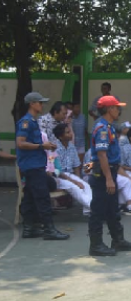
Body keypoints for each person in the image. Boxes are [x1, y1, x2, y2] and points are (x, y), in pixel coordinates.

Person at [88, 95, 131, 256]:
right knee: (98, 210)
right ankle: (95, 245)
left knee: (112, 209)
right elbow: (102, 155)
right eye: (116, 107)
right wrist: (109, 178)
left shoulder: (108, 126)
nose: (119, 110)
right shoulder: (102, 128)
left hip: (110, 171)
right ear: (109, 109)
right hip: (103, 173)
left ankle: (118, 240)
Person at [16, 92, 69, 241]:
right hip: (32, 165)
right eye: (39, 102)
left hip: (35, 163)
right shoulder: (26, 122)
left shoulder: (33, 121)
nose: (42, 105)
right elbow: (20, 142)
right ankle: (49, 229)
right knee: (42, 196)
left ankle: (29, 228)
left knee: (30, 196)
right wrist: (42, 145)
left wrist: (45, 147)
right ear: (32, 104)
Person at [53, 123, 93, 216]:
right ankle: (94, 208)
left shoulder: (71, 146)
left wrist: (78, 180)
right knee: (74, 187)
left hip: (70, 175)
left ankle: (88, 210)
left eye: (70, 132)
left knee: (85, 185)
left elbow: (76, 166)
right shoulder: (55, 148)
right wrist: (75, 182)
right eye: (67, 133)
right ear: (60, 136)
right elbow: (57, 171)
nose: (71, 134)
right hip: (59, 177)